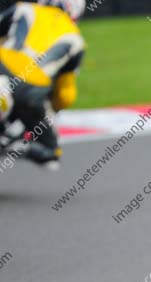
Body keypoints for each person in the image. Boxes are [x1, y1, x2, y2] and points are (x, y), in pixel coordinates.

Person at [0, 0, 85, 167]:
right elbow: (65, 97)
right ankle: (16, 143)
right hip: (31, 89)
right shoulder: (76, 40)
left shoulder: (23, 8)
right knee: (53, 153)